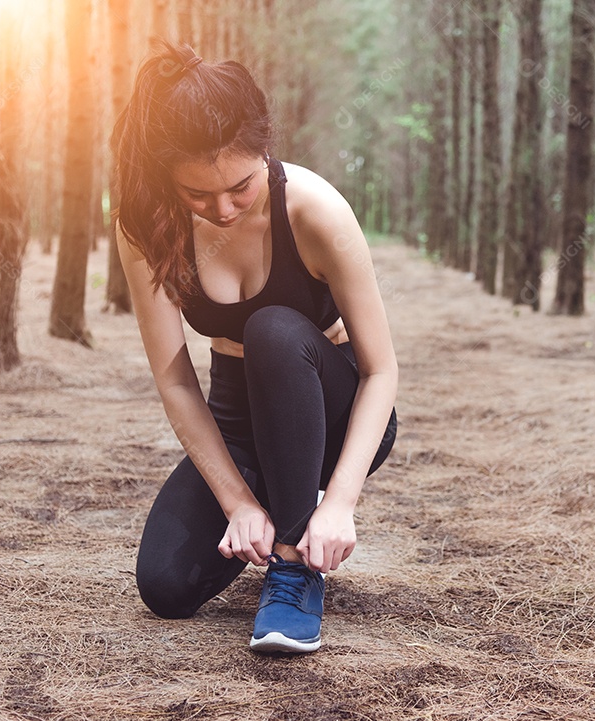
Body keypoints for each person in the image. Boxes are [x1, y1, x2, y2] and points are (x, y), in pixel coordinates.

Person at [110, 40, 398, 654]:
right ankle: (277, 500)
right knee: (165, 586)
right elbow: (177, 380)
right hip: (239, 415)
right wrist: (238, 503)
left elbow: (381, 372)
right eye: (197, 194)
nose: (221, 209)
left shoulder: (315, 211)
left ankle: (294, 567)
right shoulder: (146, 226)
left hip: (333, 405)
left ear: (265, 147)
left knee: (272, 327)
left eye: (239, 186)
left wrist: (341, 503)